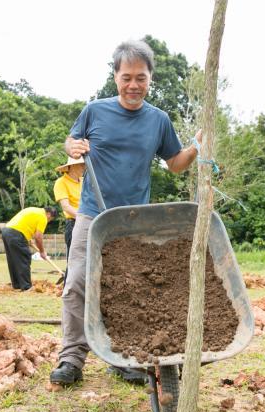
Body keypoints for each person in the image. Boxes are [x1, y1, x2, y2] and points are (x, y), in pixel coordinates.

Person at [50, 39, 201, 387]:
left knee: (129, 290)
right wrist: (72, 146)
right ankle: (72, 358)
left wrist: (195, 149)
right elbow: (71, 142)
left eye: (142, 78)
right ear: (115, 76)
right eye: (127, 77)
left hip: (133, 220)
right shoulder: (95, 111)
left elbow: (175, 164)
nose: (134, 85)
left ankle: (122, 357)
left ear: (151, 79)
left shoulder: (158, 120)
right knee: (75, 284)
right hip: (92, 214)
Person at [1, 206, 58, 291]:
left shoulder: (33, 210)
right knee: (25, 258)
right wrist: (42, 251)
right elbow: (38, 237)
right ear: (49, 214)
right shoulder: (43, 217)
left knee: (13, 259)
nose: (49, 221)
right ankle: (26, 286)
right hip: (16, 233)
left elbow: (25, 224)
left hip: (6, 231)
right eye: (51, 219)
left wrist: (28, 239)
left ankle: (17, 285)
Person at [53, 156, 84, 280]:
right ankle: (69, 290)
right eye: (81, 164)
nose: (84, 167)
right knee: (74, 259)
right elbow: (66, 207)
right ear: (71, 166)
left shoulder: (84, 181)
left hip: (87, 222)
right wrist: (83, 218)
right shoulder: (61, 182)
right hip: (74, 223)